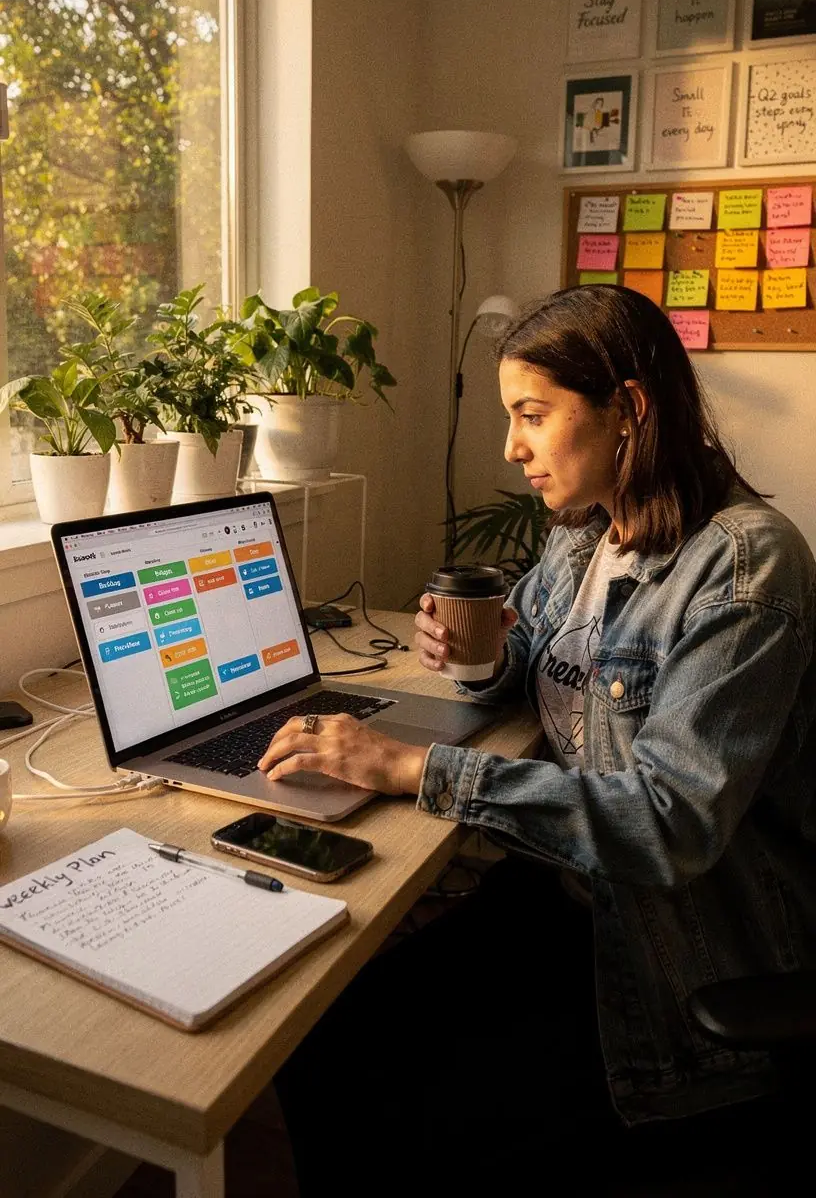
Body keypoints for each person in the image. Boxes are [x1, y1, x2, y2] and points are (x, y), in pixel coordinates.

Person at [262, 285, 816, 1194]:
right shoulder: (585, 531)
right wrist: (477, 659)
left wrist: (413, 767)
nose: (511, 446)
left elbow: (667, 823)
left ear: (628, 410)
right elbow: (543, 661)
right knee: (331, 1029)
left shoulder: (746, 568)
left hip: (678, 953)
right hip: (570, 893)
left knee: (388, 1088)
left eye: (533, 415)